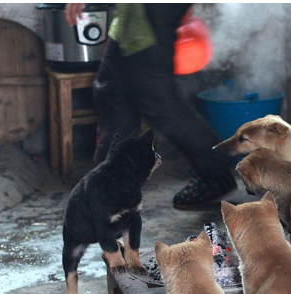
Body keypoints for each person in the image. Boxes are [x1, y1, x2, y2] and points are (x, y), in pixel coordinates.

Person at [64, 4, 237, 210]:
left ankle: (217, 168)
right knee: (115, 90)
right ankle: (110, 188)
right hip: (134, 16)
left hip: (150, 12)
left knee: (159, 100)